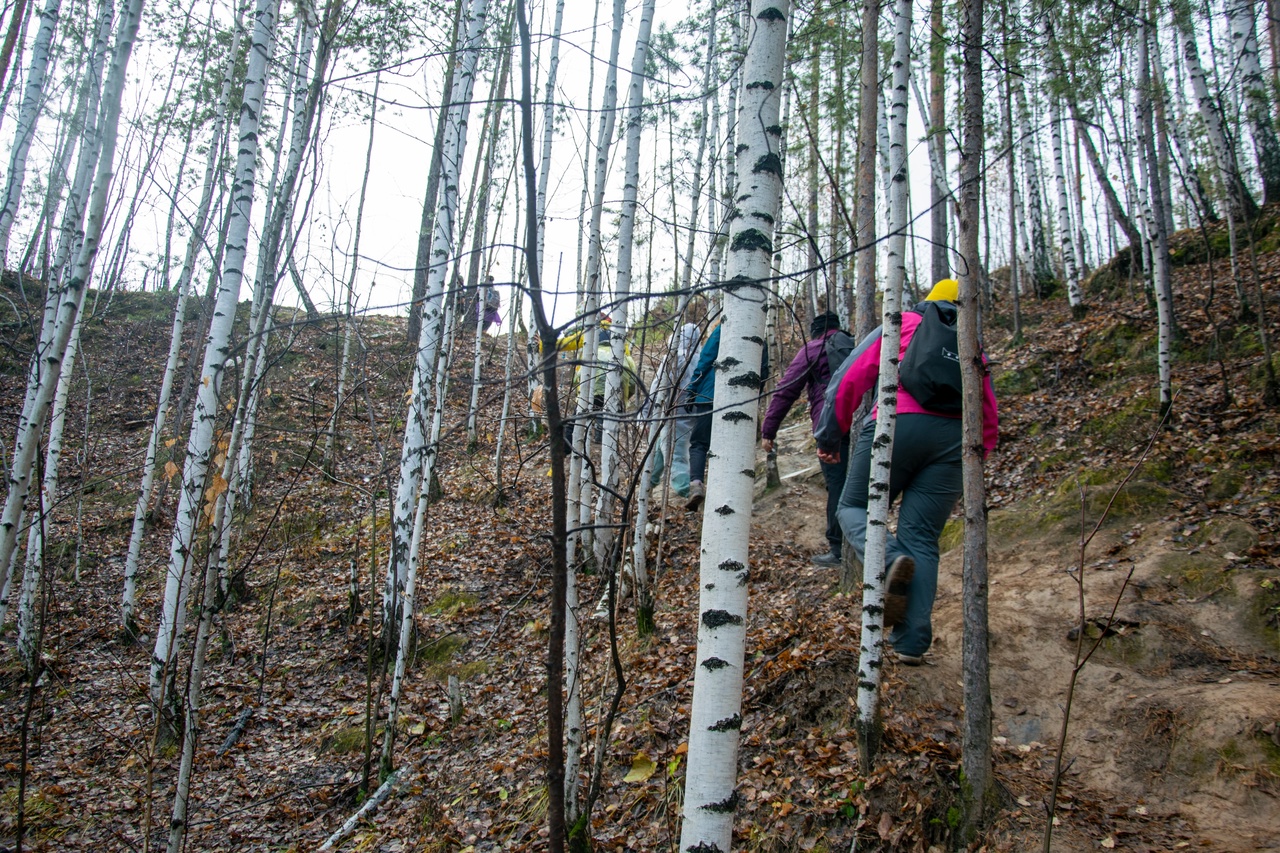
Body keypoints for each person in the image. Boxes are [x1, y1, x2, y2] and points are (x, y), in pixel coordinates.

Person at [815, 279, 998, 666]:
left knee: (851, 507)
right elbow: (988, 405)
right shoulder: (969, 342)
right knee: (923, 538)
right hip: (954, 444)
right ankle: (911, 643)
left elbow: (850, 377)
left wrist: (831, 435)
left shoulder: (905, 322)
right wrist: (980, 452)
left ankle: (889, 560)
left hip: (896, 426)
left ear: (929, 300)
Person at [760, 311, 846, 566]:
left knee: (838, 486)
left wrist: (769, 430)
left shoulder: (813, 348)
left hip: (831, 426)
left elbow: (786, 390)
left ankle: (839, 550)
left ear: (815, 332)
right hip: (866, 422)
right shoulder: (855, 344)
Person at [683, 317, 768, 511]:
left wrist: (692, 390)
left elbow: (706, 358)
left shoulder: (724, 326)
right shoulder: (758, 330)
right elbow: (763, 369)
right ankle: (727, 494)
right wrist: (754, 395)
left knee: (699, 444)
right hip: (742, 401)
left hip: (709, 396)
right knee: (731, 450)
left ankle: (696, 484)